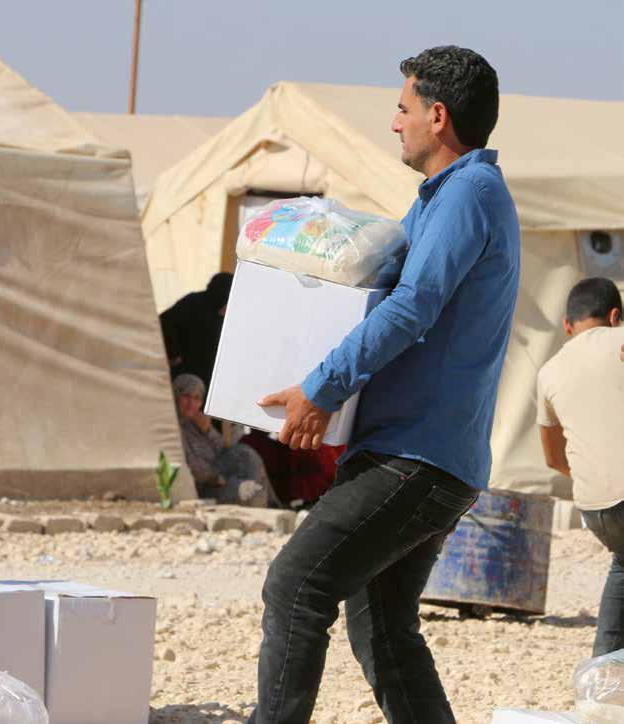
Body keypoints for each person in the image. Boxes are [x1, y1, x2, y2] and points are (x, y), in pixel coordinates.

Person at [250, 46, 520, 723]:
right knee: (381, 626)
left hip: (416, 455)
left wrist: (322, 387)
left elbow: (410, 307)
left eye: (402, 109)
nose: (394, 123)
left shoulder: (468, 193)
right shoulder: (443, 199)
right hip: (420, 453)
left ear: (438, 115)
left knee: (296, 586)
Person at [537, 277, 624, 657]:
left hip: (595, 508)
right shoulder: (619, 340)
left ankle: (604, 674)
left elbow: (553, 459)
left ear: (567, 325)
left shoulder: (548, 371)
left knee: (622, 567)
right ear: (615, 316)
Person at [173, 374, 277, 507]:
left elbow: (224, 449)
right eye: (186, 396)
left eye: (197, 398)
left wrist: (208, 431)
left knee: (246, 454)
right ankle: (267, 502)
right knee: (250, 492)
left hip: (222, 475)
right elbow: (190, 465)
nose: (191, 403)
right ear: (176, 396)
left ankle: (265, 499)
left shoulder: (196, 422)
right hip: (206, 485)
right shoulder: (173, 427)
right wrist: (217, 478)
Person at [160, 272, 233, 389]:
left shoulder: (226, 310)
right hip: (186, 371)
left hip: (208, 373)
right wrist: (174, 354)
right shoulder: (193, 302)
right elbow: (165, 322)